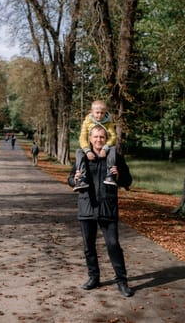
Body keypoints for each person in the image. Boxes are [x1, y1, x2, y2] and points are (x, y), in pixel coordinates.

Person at [68, 125, 134, 297]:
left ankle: (122, 281)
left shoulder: (115, 157)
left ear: (106, 139)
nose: (98, 140)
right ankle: (93, 278)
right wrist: (74, 179)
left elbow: (128, 180)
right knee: (88, 246)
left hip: (108, 207)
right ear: (90, 139)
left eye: (102, 137)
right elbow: (70, 179)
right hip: (86, 206)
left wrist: (119, 176)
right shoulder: (83, 156)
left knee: (113, 245)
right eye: (96, 137)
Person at [73, 100, 117, 192]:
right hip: (88, 148)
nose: (99, 115)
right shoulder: (87, 122)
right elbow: (82, 137)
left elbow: (113, 137)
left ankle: (110, 175)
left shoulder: (109, 123)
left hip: (106, 148)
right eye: (97, 113)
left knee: (113, 149)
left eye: (102, 113)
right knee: (78, 152)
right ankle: (81, 178)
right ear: (92, 112)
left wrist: (105, 148)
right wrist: (87, 150)